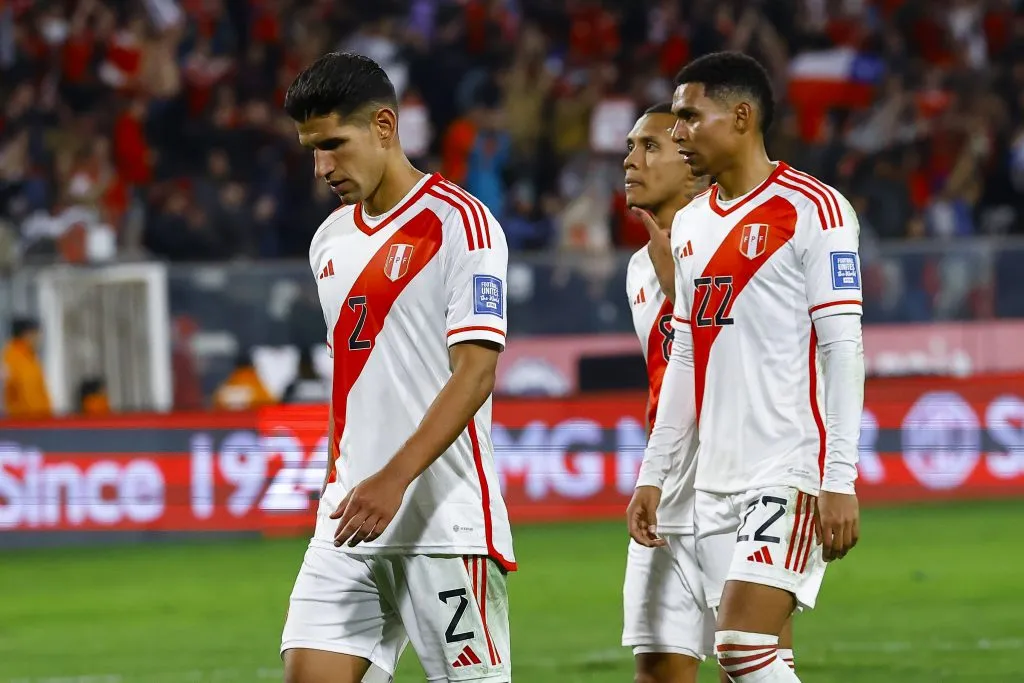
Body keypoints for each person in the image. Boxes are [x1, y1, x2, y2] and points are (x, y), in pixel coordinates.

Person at [627, 51, 864, 683]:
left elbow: (843, 348)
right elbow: (685, 351)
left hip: (788, 467)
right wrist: (655, 471)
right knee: (760, 662)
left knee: (739, 645)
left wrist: (838, 477)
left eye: (688, 117)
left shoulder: (816, 210)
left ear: (740, 116)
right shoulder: (693, 225)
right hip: (713, 483)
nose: (677, 133)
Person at [279, 51, 515, 683]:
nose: (323, 167)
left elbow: (475, 374)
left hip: (441, 519)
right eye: (311, 151)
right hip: (349, 516)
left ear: (384, 126)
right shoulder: (328, 240)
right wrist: (359, 480)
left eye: (334, 144)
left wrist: (395, 479)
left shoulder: (462, 225)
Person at [620, 102, 712, 683]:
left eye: (650, 146)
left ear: (694, 165)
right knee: (656, 671)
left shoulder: (738, 249)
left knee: (752, 665)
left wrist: (683, 290)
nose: (631, 160)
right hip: (667, 492)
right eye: (630, 147)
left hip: (744, 487)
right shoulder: (637, 267)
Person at [2, 317, 52, 419]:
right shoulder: (10, 358)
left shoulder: (31, 358)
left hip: (39, 421)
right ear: (26, 335)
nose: (39, 339)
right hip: (21, 424)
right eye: (36, 334)